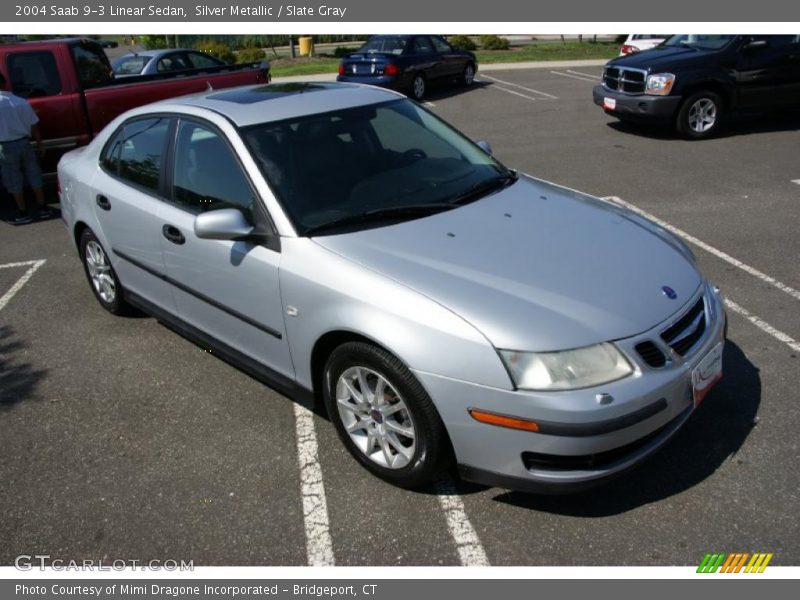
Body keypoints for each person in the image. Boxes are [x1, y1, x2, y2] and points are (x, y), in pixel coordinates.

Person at [0, 71, 53, 225]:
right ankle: (43, 207)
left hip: (6, 146)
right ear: (5, 84)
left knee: (13, 178)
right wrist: (40, 144)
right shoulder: (21, 102)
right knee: (34, 174)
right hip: (25, 142)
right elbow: (34, 125)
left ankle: (23, 212)